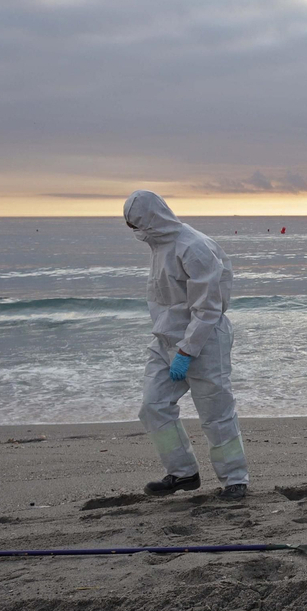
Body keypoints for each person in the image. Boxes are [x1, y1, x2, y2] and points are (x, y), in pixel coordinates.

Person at [124, 190, 249, 501]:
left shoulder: (194, 247)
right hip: (165, 341)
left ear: (151, 219)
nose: (136, 233)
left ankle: (235, 479)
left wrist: (186, 350)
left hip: (205, 342)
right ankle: (183, 473)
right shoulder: (158, 246)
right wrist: (170, 345)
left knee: (216, 413)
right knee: (153, 406)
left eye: (137, 225)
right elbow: (166, 303)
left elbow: (208, 308)